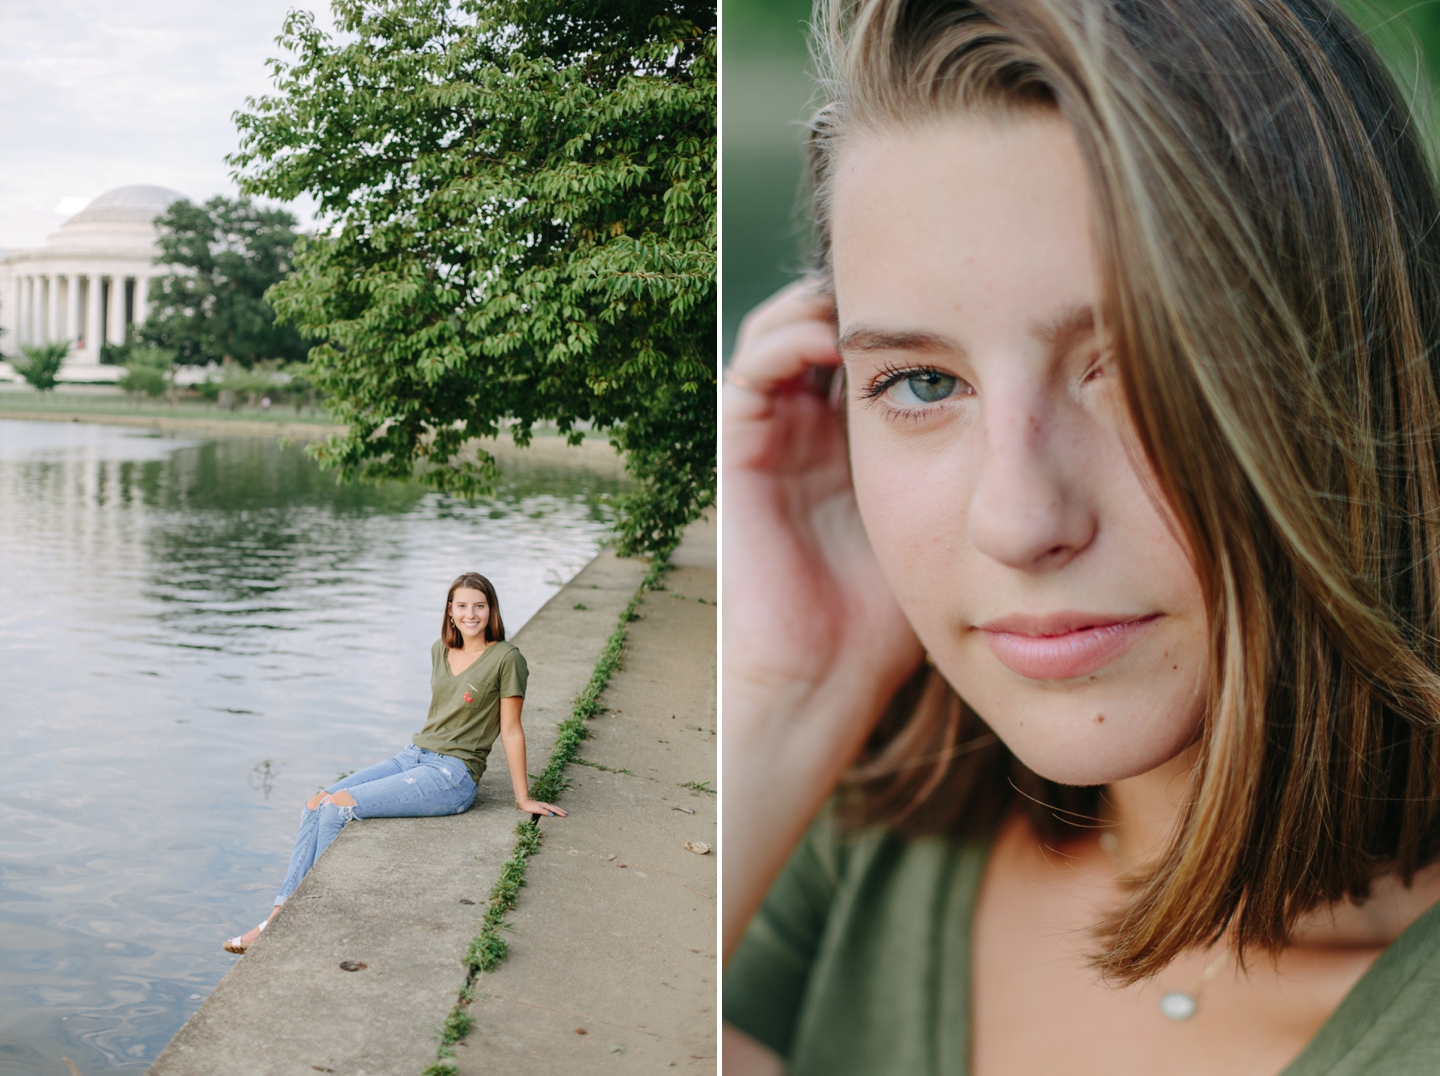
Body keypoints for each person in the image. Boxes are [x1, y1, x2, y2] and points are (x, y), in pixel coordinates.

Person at [723, 0, 1440, 1072]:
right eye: (922, 382)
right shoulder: (864, 834)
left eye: (1142, 367)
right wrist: (788, 688)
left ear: (1351, 369)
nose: (1018, 520)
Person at [223, 571, 565, 954]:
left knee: (339, 809)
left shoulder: (506, 658)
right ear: (450, 611)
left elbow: (512, 730)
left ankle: (291, 923)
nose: (471, 614)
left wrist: (523, 798)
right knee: (316, 802)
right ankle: (280, 912)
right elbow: (442, 717)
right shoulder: (440, 649)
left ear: (491, 610)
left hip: (452, 774)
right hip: (413, 756)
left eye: (480, 606)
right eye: (463, 606)